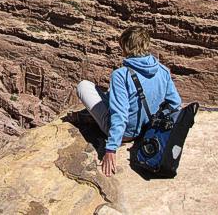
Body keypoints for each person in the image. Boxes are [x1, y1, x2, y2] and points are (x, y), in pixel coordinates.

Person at [76, 26, 181, 177]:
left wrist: (111, 148)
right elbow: (175, 103)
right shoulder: (162, 70)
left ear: (126, 47)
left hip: (127, 133)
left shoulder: (121, 75)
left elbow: (120, 114)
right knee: (112, 93)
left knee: (84, 86)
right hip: (149, 129)